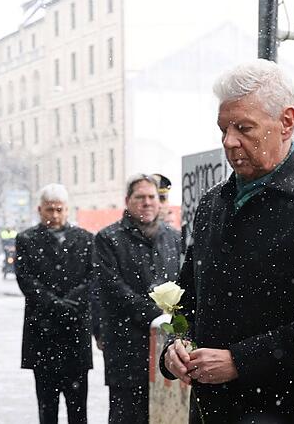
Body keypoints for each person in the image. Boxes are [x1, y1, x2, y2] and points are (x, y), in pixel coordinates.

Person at [159, 59, 294, 423]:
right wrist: (175, 347)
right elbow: (188, 296)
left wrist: (241, 360)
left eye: (244, 128)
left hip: (285, 408)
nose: (229, 141)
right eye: (223, 129)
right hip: (210, 408)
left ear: (286, 122)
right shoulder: (212, 203)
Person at [94, 174, 182, 424]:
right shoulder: (107, 239)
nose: (147, 202)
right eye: (140, 197)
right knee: (126, 415)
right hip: (126, 348)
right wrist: (157, 315)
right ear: (127, 201)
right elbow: (113, 290)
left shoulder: (173, 238)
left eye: (152, 197)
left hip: (166, 348)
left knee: (164, 415)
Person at [15, 184, 94, 424]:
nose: (55, 215)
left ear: (68, 209)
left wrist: (70, 302)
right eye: (50, 210)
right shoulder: (26, 239)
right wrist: (55, 304)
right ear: (40, 209)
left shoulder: (86, 239)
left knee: (78, 408)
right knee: (47, 408)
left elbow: (92, 278)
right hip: (42, 334)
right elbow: (26, 280)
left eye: (59, 209)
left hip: (75, 334)